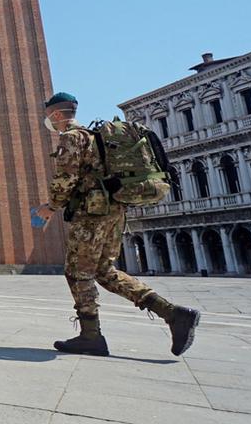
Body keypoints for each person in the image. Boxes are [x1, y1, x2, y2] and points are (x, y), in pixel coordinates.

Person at [34, 92, 200, 356]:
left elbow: (66, 179)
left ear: (55, 114)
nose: (48, 122)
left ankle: (91, 336)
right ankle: (172, 313)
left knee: (77, 272)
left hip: (92, 213)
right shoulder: (96, 136)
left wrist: (50, 206)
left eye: (48, 117)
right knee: (103, 271)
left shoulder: (71, 137)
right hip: (115, 211)